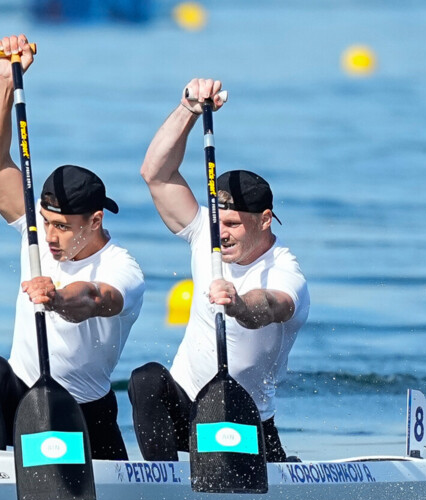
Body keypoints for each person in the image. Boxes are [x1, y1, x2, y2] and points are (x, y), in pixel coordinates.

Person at [0, 34, 145, 460]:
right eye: (46, 223)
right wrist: (8, 81)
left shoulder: (125, 270)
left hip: (84, 413)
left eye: (62, 228)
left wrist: (58, 296)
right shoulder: (37, 234)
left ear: (95, 221)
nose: (48, 237)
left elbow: (93, 299)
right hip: (23, 397)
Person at [131, 77, 309, 463]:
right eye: (217, 223)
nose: (220, 234)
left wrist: (239, 306)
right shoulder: (203, 234)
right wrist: (188, 110)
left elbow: (275, 304)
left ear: (265, 220)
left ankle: (276, 462)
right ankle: (162, 483)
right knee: (146, 379)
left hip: (243, 417)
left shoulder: (285, 269)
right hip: (187, 405)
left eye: (232, 225)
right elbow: (156, 174)